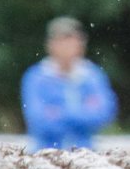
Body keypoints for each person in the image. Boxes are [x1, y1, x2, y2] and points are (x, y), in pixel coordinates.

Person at [20, 16, 118, 152]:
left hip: (86, 156)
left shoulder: (92, 75)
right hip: (45, 156)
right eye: (62, 41)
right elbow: (38, 120)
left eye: (72, 41)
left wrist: (58, 113)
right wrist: (82, 113)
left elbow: (105, 114)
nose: (67, 47)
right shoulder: (36, 77)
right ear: (50, 45)